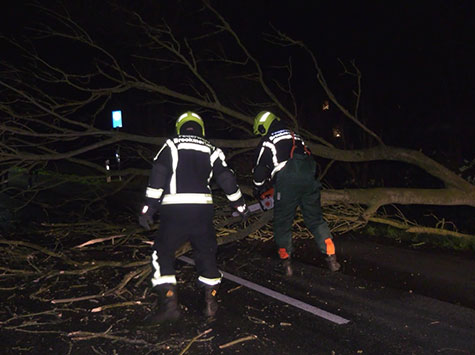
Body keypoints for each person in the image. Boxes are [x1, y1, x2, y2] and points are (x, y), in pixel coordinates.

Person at [138, 111, 247, 322]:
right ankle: (210, 302)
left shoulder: (171, 145)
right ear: (201, 128)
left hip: (175, 211)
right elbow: (226, 178)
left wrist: (148, 209)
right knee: (206, 253)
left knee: (162, 253)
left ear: (180, 127)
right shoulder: (211, 149)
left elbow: (158, 174)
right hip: (202, 211)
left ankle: (169, 305)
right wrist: (240, 205)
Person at [251, 111, 341, 276]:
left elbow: (259, 171)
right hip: (309, 177)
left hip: (287, 181)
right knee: (315, 219)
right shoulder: (295, 136)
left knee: (283, 222)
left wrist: (258, 188)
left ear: (263, 127)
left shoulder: (268, 141)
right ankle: (331, 255)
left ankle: (286, 262)